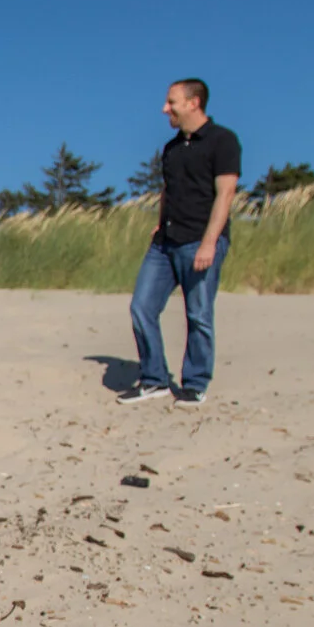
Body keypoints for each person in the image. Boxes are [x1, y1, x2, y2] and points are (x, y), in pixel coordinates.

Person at [120, 78, 240, 407]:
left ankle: (196, 383)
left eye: (171, 102)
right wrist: (160, 223)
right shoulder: (171, 149)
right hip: (165, 243)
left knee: (198, 313)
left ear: (193, 103)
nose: (165, 109)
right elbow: (168, 189)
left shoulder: (223, 141)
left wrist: (209, 243)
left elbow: (225, 193)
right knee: (142, 307)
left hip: (199, 241)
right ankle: (154, 378)